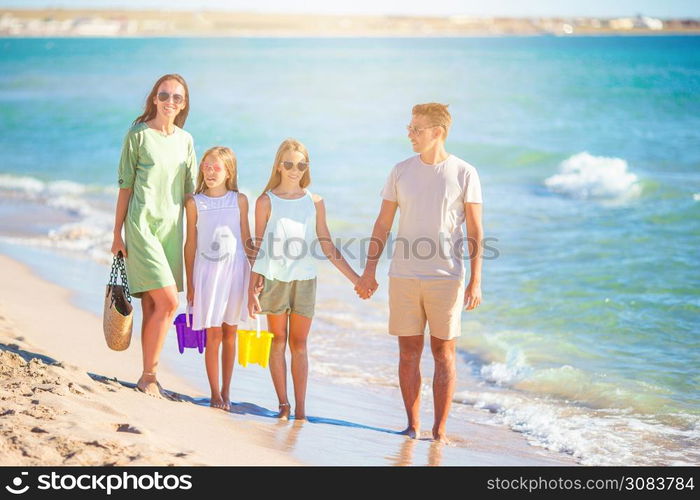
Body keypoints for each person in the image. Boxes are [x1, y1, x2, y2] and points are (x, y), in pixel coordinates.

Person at [355, 103, 484, 442]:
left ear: (437, 132)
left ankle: (439, 431)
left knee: (444, 354)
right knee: (408, 352)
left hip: (447, 278)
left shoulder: (464, 173)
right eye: (409, 127)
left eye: (416, 128)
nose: (409, 134)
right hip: (404, 276)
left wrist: (476, 280)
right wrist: (369, 272)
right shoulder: (400, 171)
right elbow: (382, 224)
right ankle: (412, 427)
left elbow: (475, 230)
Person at [248, 138, 359, 421]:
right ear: (278, 166)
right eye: (289, 164)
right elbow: (258, 247)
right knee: (278, 342)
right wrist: (251, 286)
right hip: (274, 279)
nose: (294, 170)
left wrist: (357, 280)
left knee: (299, 344)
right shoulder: (265, 201)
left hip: (305, 281)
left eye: (301, 164)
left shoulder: (316, 202)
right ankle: (283, 405)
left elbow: (327, 246)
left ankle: (301, 409)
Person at [111, 74, 197, 398]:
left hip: (172, 230)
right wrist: (116, 233)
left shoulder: (186, 140)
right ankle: (150, 375)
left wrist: (210, 229)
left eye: (177, 97)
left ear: (184, 103)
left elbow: (190, 194)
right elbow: (125, 186)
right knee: (169, 301)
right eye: (165, 95)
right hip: (142, 225)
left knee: (152, 304)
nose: (170, 102)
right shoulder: (138, 135)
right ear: (155, 98)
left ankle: (148, 377)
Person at [184, 146, 252, 411]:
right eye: (206, 166)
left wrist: (255, 279)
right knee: (213, 334)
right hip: (208, 274)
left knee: (231, 333)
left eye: (217, 167)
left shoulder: (240, 200)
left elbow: (247, 238)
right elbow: (190, 244)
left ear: (229, 171)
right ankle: (214, 393)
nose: (210, 171)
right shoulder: (195, 202)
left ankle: (227, 391)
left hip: (236, 272)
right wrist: (189, 282)